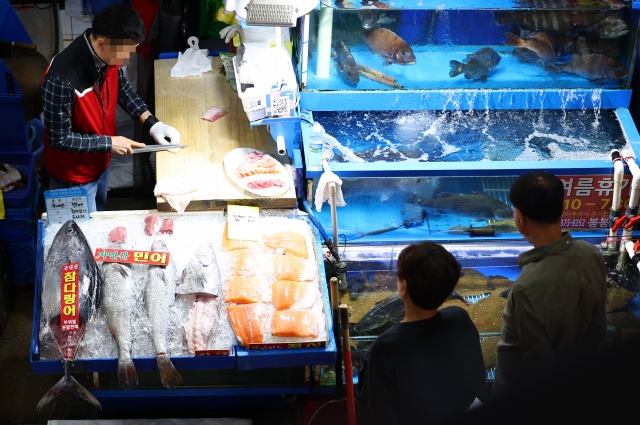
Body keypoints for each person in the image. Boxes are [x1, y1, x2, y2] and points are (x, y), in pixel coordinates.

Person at [41, 5, 181, 212]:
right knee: (79, 232)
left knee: (99, 217)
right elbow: (59, 138)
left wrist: (153, 124)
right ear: (102, 43)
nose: (127, 59)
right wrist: (109, 143)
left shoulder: (107, 56)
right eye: (125, 52)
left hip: (100, 161)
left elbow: (122, 89)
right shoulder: (61, 79)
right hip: (73, 176)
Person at [492, 171, 607, 400]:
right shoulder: (592, 253)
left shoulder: (526, 287)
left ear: (520, 218)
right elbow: (598, 326)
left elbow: (537, 360)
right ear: (561, 208)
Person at [356, 242, 486, 425]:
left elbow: (375, 414)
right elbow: (479, 379)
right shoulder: (460, 319)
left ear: (402, 288)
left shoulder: (384, 348)